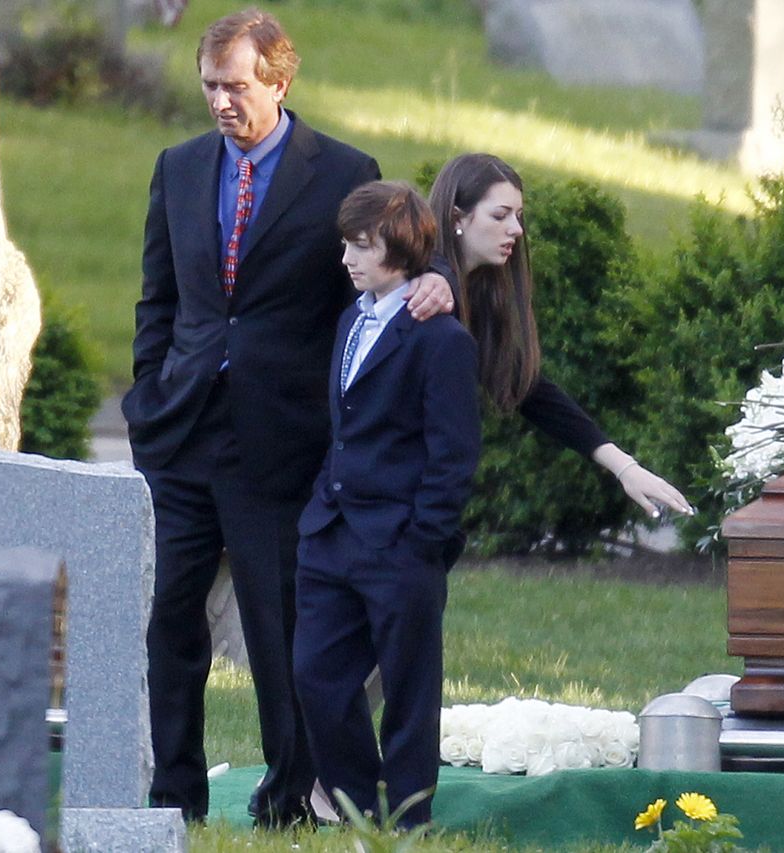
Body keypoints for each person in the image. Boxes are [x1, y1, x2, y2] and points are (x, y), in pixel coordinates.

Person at [121, 8, 383, 826]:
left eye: (235, 86)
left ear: (280, 79)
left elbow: (364, 305)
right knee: (169, 622)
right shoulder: (179, 166)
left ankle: (288, 799)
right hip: (181, 432)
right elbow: (159, 298)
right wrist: (148, 396)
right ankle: (175, 798)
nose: (220, 102)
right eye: (209, 86)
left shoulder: (343, 173)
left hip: (281, 441)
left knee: (280, 629)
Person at [292, 181, 480, 829]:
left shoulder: (441, 339)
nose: (347, 258)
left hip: (400, 541)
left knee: (408, 688)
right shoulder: (353, 318)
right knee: (316, 675)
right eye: (346, 243)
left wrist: (423, 537)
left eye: (362, 246)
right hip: (331, 531)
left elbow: (453, 453)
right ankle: (355, 805)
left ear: (400, 249)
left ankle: (407, 820)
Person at [412, 153, 692, 517]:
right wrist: (434, 273)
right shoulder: (418, 292)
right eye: (500, 215)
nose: (516, 229)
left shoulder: (476, 295)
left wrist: (625, 467)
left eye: (518, 216)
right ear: (456, 218)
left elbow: (529, 388)